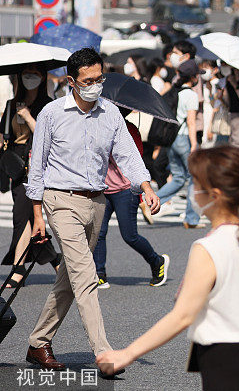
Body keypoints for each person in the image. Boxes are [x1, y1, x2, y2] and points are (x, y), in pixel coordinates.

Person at [97, 146, 239, 388]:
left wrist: (126, 354)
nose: (192, 191)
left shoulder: (209, 246)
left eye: (195, 184)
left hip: (226, 363)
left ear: (213, 195)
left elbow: (183, 315)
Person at [25, 48, 161, 371]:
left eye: (100, 78)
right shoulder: (52, 114)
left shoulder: (110, 113)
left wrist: (146, 187)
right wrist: (36, 215)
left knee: (69, 279)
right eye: (88, 80)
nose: (95, 85)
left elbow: (128, 154)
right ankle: (105, 352)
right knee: (86, 276)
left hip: (96, 202)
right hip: (60, 201)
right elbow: (37, 167)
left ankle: (37, 342)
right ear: (72, 82)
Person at [93, 107, 169, 289]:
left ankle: (157, 261)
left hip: (125, 189)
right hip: (103, 188)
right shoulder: (96, 127)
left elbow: (133, 161)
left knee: (130, 236)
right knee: (99, 233)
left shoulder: (129, 130)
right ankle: (99, 273)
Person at [0, 64, 61, 288]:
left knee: (20, 215)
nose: (30, 77)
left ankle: (18, 269)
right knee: (25, 216)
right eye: (26, 73)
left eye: (35, 73)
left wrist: (26, 115)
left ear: (43, 77)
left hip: (36, 162)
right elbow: (4, 135)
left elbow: (48, 136)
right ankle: (56, 260)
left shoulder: (48, 105)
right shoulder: (11, 104)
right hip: (15, 164)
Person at [155, 59, 204, 229]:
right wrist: (194, 145)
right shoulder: (191, 95)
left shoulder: (173, 91)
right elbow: (191, 122)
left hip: (170, 139)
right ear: (193, 77)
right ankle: (191, 219)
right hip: (183, 138)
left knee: (178, 177)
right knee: (195, 178)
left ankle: (152, 200)